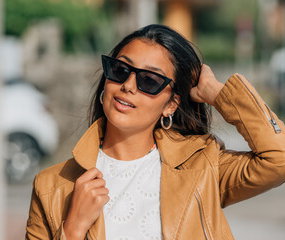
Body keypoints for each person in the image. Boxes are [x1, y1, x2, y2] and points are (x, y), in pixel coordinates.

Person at [25, 24, 285, 240]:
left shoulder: (203, 165)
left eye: (149, 80)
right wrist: (72, 230)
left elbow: (279, 157)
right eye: (120, 70)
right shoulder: (52, 187)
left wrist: (217, 94)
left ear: (171, 104)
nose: (128, 85)